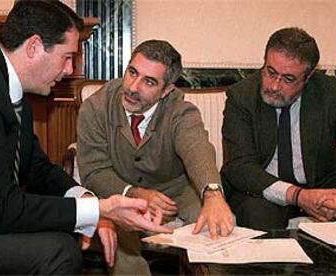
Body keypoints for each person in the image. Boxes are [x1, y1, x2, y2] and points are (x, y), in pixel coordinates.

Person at [0, 1, 171, 274]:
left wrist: (89, 200)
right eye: (67, 57)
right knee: (59, 251)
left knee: (65, 236)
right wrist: (99, 211)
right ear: (34, 47)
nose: (69, 70)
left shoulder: (7, 87)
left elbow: (38, 168)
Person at [77, 39, 235, 275]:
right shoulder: (95, 107)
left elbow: (197, 150)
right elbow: (94, 171)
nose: (132, 87)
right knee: (125, 253)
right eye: (132, 72)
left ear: (167, 90)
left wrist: (213, 194)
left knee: (217, 229)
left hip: (176, 192)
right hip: (119, 192)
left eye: (149, 82)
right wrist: (135, 193)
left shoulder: (181, 111)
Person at [221, 27, 336, 231]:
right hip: (260, 189)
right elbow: (240, 166)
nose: (274, 86)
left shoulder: (333, 94)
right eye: (270, 72)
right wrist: (298, 196)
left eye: (288, 79)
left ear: (308, 76)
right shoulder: (241, 97)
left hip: (320, 182)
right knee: (258, 215)